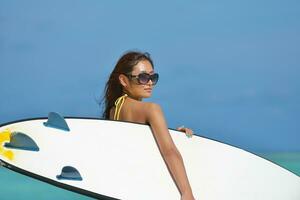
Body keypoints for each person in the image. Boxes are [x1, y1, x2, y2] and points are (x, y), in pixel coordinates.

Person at [102, 51, 195, 200]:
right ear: (124, 81)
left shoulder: (114, 110)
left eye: (153, 77)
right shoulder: (151, 109)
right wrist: (186, 193)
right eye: (143, 77)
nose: (150, 82)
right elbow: (169, 151)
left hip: (123, 185)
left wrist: (176, 136)